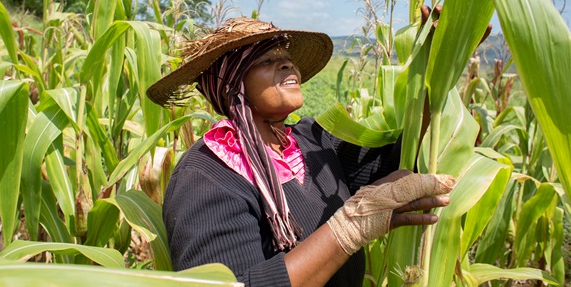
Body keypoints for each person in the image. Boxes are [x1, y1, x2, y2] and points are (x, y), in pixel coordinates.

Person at [146, 17, 454, 287]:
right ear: (231, 84)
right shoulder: (206, 176)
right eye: (265, 60)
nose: (288, 64)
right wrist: (351, 226)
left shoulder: (312, 141)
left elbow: (393, 162)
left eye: (287, 56)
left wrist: (443, 62)